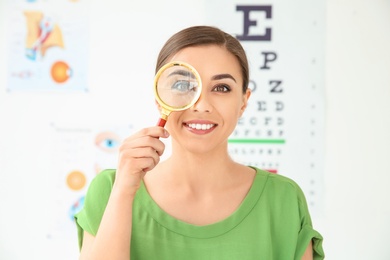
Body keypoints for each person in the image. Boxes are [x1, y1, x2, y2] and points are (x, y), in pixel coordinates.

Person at [75, 25, 325, 260]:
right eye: (183, 84)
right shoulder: (110, 190)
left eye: (222, 88)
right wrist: (124, 192)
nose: (202, 105)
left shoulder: (283, 199)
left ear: (244, 102)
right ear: (159, 97)